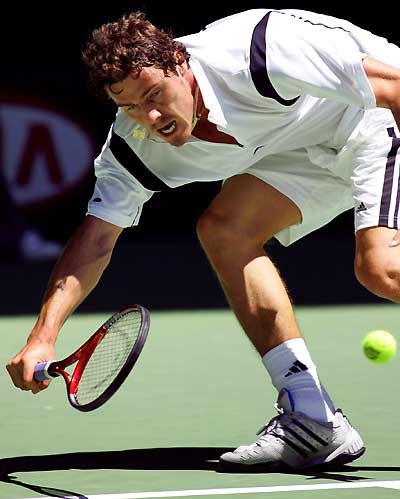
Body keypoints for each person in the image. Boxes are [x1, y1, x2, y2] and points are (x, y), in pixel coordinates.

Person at [6, 7, 400, 471]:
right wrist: (42, 336)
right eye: (129, 105)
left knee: (381, 268)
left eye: (155, 94)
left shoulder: (257, 55)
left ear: (180, 61)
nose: (150, 116)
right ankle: (312, 418)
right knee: (225, 231)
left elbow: (394, 88)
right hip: (301, 147)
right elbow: (94, 240)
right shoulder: (133, 146)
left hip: (370, 115)